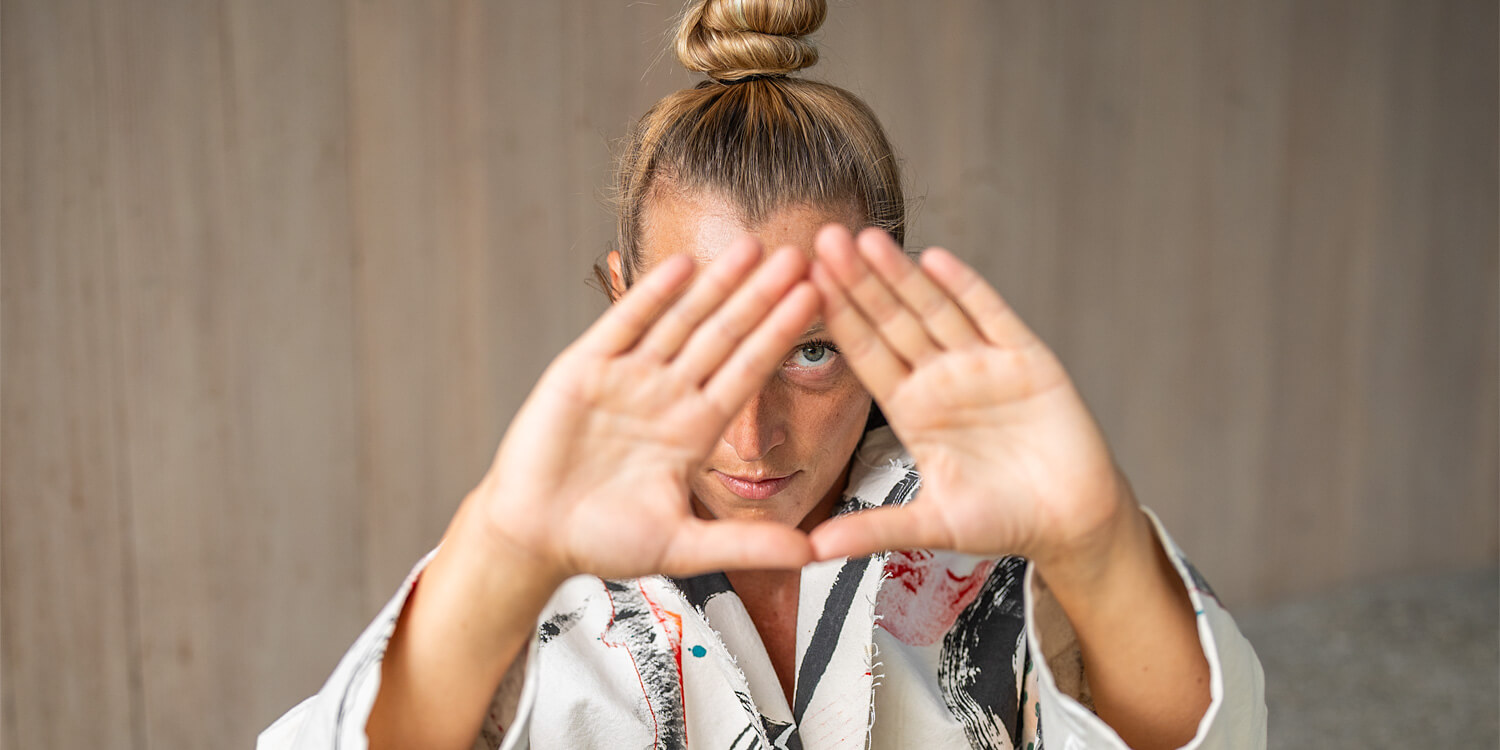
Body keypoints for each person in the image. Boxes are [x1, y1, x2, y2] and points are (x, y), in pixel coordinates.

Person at [260, 1, 1266, 748]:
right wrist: (502, 551)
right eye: (704, 344)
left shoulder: (996, 541)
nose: (751, 433)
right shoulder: (523, 584)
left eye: (813, 349)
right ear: (623, 304)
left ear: (890, 313)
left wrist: (1097, 547)